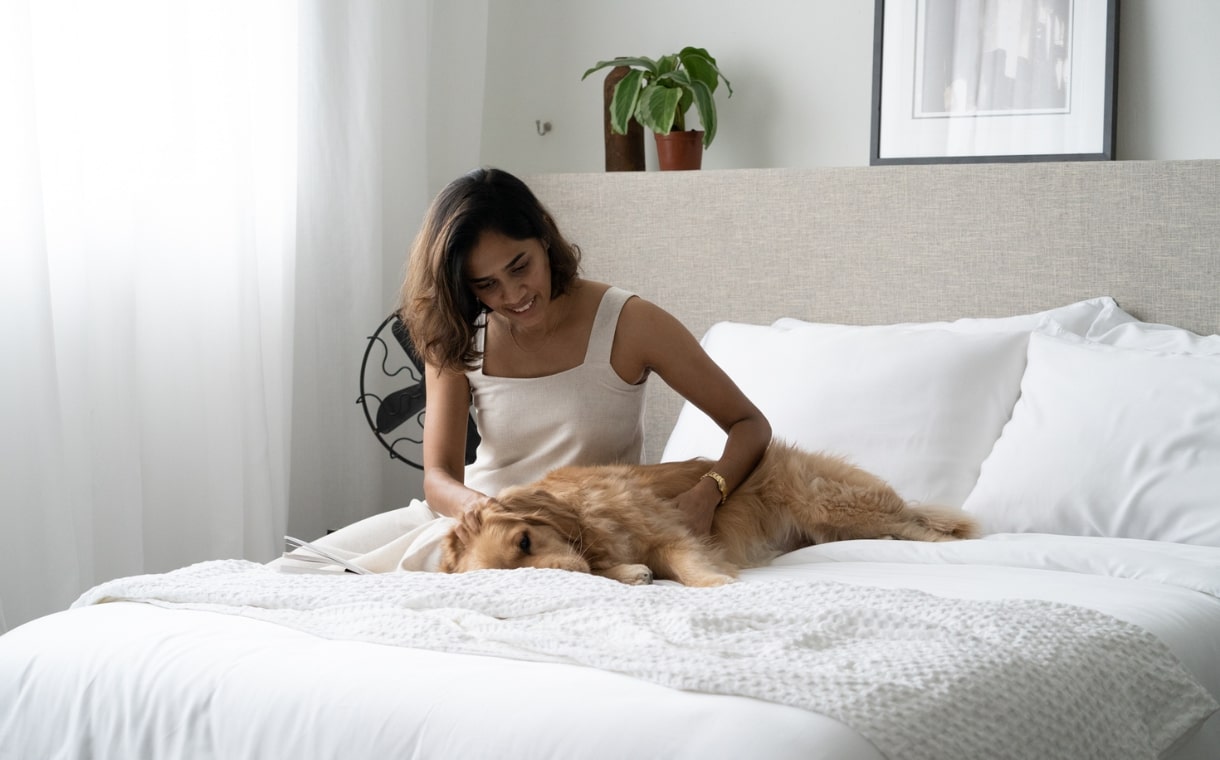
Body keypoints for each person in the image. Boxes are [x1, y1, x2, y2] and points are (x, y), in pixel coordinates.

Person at [274, 167, 770, 573]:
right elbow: (438, 476)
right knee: (298, 571)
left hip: (575, 535)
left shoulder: (630, 323)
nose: (512, 296)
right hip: (473, 525)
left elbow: (750, 425)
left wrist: (711, 492)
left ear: (545, 240)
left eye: (520, 266)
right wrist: (478, 510)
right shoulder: (460, 332)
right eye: (486, 284)